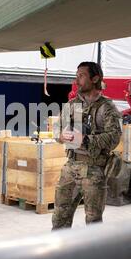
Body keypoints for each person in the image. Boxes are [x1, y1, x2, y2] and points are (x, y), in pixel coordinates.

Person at [52, 62, 122, 229]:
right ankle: (59, 252)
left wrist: (85, 139)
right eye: (77, 75)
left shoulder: (106, 107)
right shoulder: (72, 104)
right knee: (60, 216)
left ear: (95, 78)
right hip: (70, 166)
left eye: (81, 76)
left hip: (94, 169)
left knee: (93, 220)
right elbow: (56, 129)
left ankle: (93, 254)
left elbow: (114, 137)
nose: (77, 80)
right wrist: (60, 136)